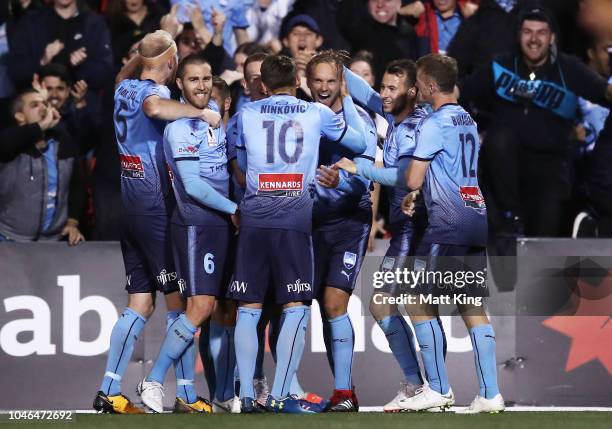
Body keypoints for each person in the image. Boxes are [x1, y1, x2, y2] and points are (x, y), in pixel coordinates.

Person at [229, 54, 366, 413]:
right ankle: (281, 394)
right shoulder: (315, 113)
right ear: (298, 82)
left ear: (263, 84)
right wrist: (348, 98)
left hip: (255, 217)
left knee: (249, 307)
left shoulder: (246, 114)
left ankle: (245, 397)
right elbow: (360, 143)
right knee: (294, 308)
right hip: (294, 221)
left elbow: (241, 167)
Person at [93, 29, 221, 414]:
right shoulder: (156, 95)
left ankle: (109, 391)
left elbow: (123, 77)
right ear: (172, 64)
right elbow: (154, 109)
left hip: (130, 208)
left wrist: (146, 51)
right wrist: (201, 112)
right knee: (178, 304)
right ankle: (185, 394)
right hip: (155, 212)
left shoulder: (123, 89)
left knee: (140, 303)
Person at [399, 53, 504, 414]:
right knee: (470, 304)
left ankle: (439, 389)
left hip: (449, 223)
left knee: (413, 297)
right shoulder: (468, 119)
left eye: (419, 82)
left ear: (429, 85)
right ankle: (490, 395)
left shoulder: (433, 123)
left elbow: (413, 178)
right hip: (476, 215)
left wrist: (403, 183)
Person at [137, 54, 238, 414]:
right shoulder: (179, 127)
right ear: (179, 85)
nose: (201, 85)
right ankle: (152, 380)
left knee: (224, 309)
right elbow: (193, 185)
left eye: (206, 78)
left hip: (221, 226)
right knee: (200, 307)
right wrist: (234, 209)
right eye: (193, 80)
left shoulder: (213, 117)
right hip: (196, 224)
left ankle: (224, 394)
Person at [459, 5, 612, 239]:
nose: (534, 39)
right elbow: (462, 92)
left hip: (549, 172)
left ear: (552, 37)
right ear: (518, 35)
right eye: (527, 31)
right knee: (499, 137)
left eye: (541, 32)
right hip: (504, 173)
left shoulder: (569, 68)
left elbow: (604, 92)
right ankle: (509, 215)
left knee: (541, 245)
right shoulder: (500, 65)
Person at [336, 59, 427, 412]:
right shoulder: (393, 116)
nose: (384, 95)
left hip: (419, 225)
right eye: (384, 87)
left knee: (406, 305)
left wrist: (358, 166)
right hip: (404, 227)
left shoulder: (419, 126)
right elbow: (364, 92)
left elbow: (404, 177)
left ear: (412, 92)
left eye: (392, 88)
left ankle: (426, 385)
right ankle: (421, 384)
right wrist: (333, 64)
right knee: (394, 303)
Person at [307, 50, 377, 411]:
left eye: (330, 80)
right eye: (317, 80)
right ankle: (341, 390)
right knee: (317, 305)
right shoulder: (302, 117)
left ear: (341, 83)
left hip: (350, 220)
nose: (323, 87)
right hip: (311, 222)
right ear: (307, 82)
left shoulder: (360, 119)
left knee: (335, 302)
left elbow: (366, 176)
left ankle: (345, 395)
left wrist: (341, 179)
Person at [0, 88, 85, 244]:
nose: (44, 108)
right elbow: (4, 143)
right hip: (9, 239)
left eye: (45, 104)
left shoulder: (64, 142)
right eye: (35, 105)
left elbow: (76, 186)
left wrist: (72, 223)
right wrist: (40, 127)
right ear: (20, 116)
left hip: (52, 241)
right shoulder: (11, 144)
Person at [8, 0, 113, 91]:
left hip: (80, 107)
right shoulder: (30, 22)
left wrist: (80, 67)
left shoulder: (94, 24)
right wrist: (42, 61)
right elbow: (17, 73)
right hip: (39, 103)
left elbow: (104, 74)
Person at [337, 0, 420, 87]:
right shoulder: (357, 31)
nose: (380, 4)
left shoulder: (410, 34)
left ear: (399, 3)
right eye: (374, 0)